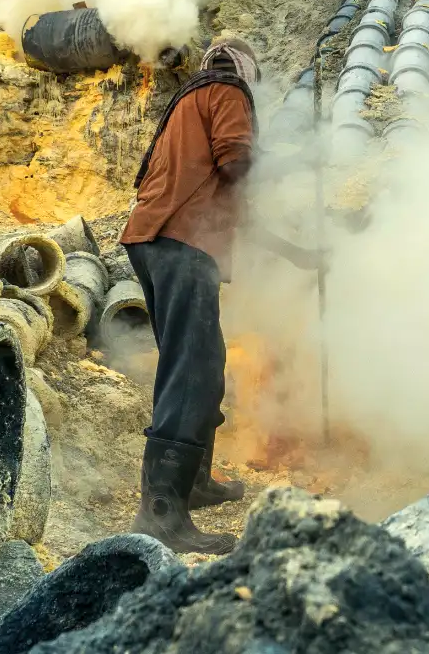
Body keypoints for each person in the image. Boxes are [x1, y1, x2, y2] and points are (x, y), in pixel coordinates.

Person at [119, 35, 316, 554]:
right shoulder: (228, 91)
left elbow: (236, 209)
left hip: (154, 239)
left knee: (198, 365)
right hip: (181, 242)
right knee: (193, 373)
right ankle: (161, 513)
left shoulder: (191, 100)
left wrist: (297, 254)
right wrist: (285, 163)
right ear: (244, 69)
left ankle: (194, 483)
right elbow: (236, 164)